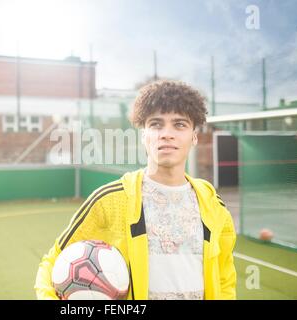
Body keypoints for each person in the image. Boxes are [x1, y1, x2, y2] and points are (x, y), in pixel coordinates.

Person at [34, 80, 236, 300]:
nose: (166, 134)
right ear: (143, 136)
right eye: (156, 124)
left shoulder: (213, 204)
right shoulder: (110, 200)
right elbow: (52, 263)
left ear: (194, 137)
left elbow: (225, 276)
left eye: (179, 124)